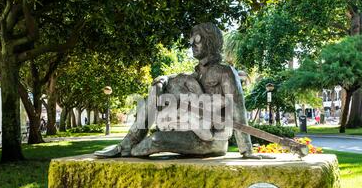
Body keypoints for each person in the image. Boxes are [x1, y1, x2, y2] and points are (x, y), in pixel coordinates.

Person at [95, 23, 261, 158]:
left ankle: (128, 148)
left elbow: (238, 109)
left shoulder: (225, 72)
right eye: (191, 41)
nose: (192, 45)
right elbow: (172, 77)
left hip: (212, 140)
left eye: (198, 40)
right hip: (192, 131)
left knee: (152, 142)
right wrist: (161, 80)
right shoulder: (196, 74)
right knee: (152, 100)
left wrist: (247, 150)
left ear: (210, 41)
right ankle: (125, 146)